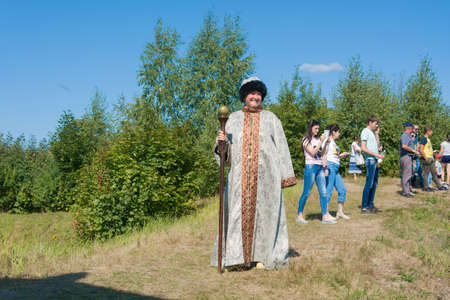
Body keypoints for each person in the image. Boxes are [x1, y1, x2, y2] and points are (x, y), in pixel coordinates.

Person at [211, 77, 297, 270]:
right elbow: (224, 156)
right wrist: (221, 144)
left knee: (265, 216)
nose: (255, 97)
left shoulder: (271, 119)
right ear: (244, 96)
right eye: (251, 93)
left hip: (267, 179)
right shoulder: (232, 119)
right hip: (238, 180)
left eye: (258, 94)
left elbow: (282, 147)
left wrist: (285, 176)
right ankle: (236, 258)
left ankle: (263, 256)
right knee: (236, 215)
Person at [296, 120, 336, 224]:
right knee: (307, 192)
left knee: (323, 192)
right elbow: (313, 152)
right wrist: (320, 142)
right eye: (316, 128)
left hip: (320, 167)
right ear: (311, 128)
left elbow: (322, 153)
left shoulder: (319, 139)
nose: (317, 131)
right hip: (311, 167)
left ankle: (325, 216)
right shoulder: (305, 139)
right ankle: (299, 215)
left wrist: (325, 144)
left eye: (318, 129)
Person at [322, 124, 350, 219]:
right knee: (329, 190)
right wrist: (325, 167)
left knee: (342, 190)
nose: (339, 134)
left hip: (336, 168)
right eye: (338, 132)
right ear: (333, 132)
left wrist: (341, 155)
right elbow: (323, 153)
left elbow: (333, 155)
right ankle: (325, 214)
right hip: (330, 166)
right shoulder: (327, 140)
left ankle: (340, 212)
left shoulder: (333, 142)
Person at [360, 115, 385, 213]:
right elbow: (363, 148)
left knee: (374, 184)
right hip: (370, 160)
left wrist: (377, 134)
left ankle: (370, 204)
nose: (377, 125)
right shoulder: (365, 131)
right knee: (369, 183)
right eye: (376, 123)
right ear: (370, 122)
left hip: (375, 161)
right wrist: (376, 155)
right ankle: (364, 206)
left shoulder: (372, 133)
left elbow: (378, 147)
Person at [419, 125, 448, 192]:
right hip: (427, 159)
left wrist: (432, 152)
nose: (432, 133)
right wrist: (426, 158)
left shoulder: (428, 139)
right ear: (428, 131)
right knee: (426, 173)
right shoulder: (424, 139)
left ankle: (439, 186)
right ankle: (426, 187)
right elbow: (421, 149)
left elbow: (427, 149)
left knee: (434, 173)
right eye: (431, 131)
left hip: (431, 159)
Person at [399, 122, 420, 198]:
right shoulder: (405, 135)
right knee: (406, 175)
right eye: (412, 128)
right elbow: (404, 146)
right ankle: (405, 192)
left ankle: (407, 190)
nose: (413, 130)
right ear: (409, 128)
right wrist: (413, 150)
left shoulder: (408, 136)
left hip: (409, 157)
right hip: (406, 157)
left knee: (408, 174)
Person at [412, 124, 424, 188]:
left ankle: (421, 184)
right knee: (412, 169)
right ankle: (411, 183)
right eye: (416, 129)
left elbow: (416, 143)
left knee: (418, 169)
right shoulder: (410, 135)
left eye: (418, 129)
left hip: (416, 154)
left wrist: (418, 147)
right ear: (412, 129)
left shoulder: (417, 135)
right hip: (411, 154)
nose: (417, 130)